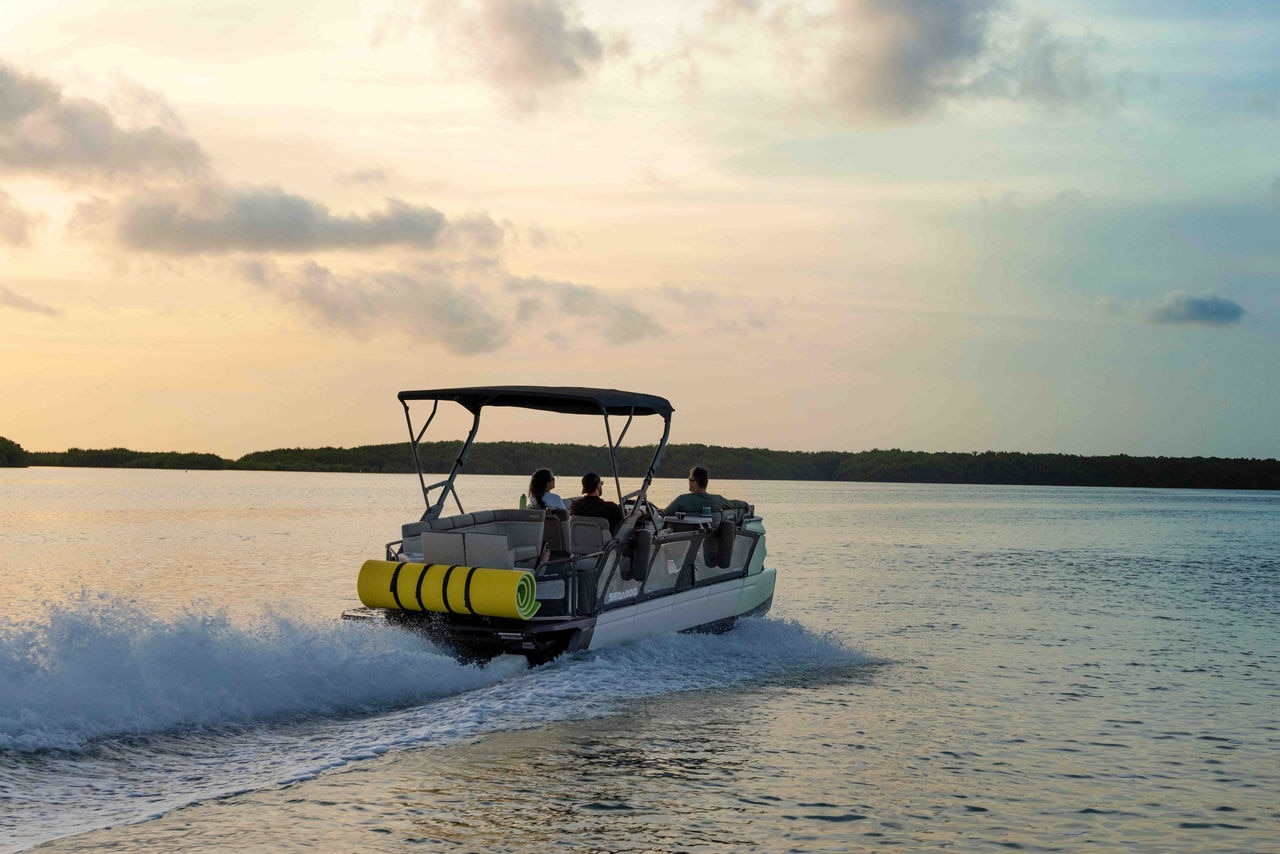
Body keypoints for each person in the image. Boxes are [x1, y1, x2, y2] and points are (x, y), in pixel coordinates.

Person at [663, 466, 749, 516]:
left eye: (690, 479)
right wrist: (745, 504)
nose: (688, 482)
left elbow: (664, 514)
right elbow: (734, 503)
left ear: (695, 483)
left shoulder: (682, 500)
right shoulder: (718, 500)